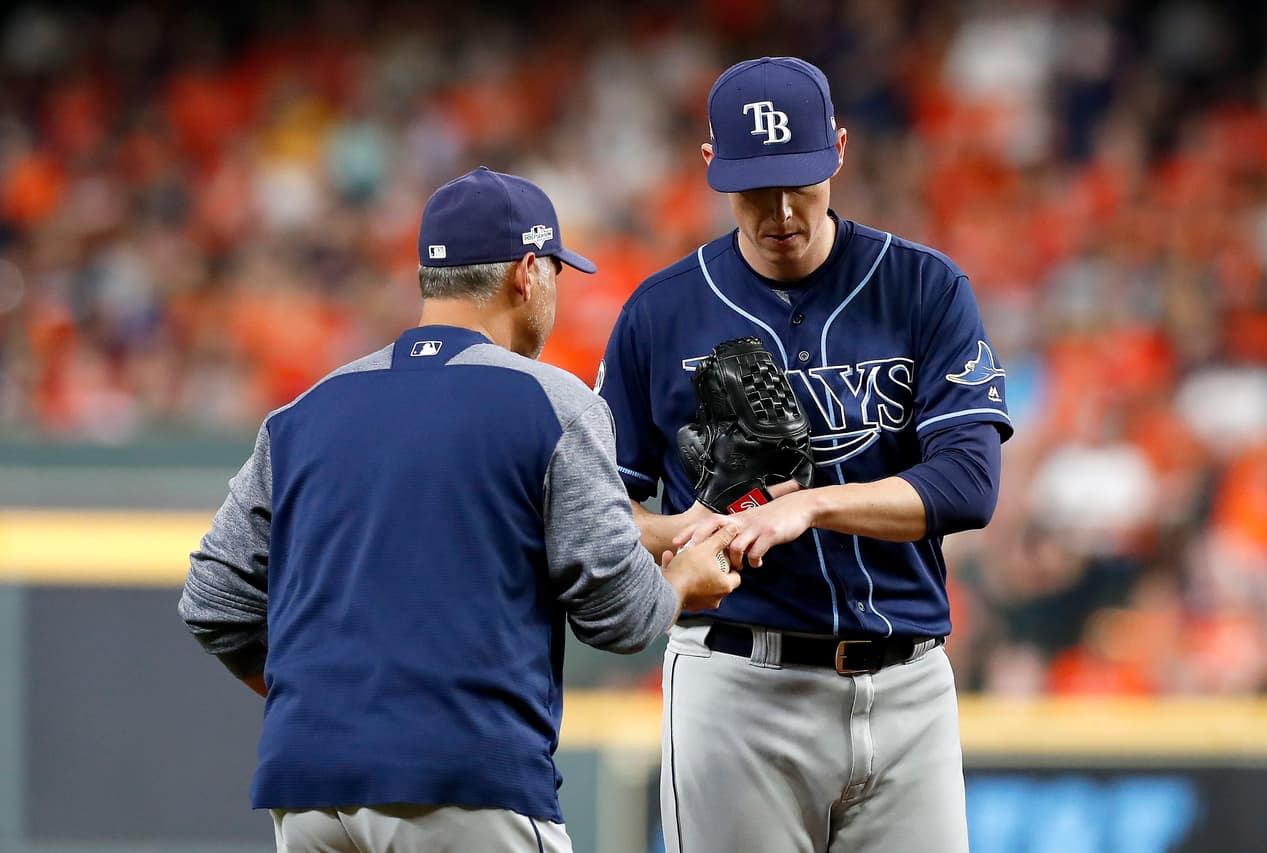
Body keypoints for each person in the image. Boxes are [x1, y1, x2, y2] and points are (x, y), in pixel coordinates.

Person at [179, 166, 742, 853]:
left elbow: (211, 598)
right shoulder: (552, 402)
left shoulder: (305, 411)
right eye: (557, 275)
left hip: (310, 791)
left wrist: (325, 706)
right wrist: (684, 577)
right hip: (465, 781)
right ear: (528, 273)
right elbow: (620, 617)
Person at [595, 58, 1014, 853]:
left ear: (841, 152)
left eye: (802, 180)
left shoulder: (924, 286)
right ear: (712, 166)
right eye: (756, 186)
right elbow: (599, 504)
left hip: (907, 682)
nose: (782, 210)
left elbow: (969, 485)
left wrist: (809, 505)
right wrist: (681, 528)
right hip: (740, 682)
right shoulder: (661, 312)